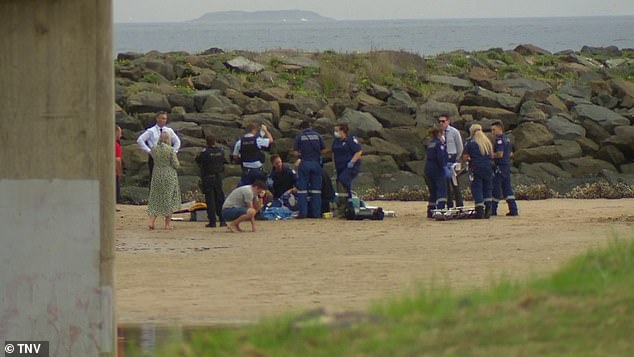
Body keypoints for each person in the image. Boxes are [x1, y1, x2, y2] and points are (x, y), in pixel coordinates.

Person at [147, 131, 181, 230]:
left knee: (155, 198)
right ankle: (167, 224)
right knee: (168, 198)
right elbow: (176, 164)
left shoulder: (154, 149)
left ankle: (151, 221)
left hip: (157, 174)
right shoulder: (170, 150)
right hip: (168, 175)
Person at [137, 111, 181, 188]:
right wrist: (149, 151)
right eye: (162, 118)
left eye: (165, 119)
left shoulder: (169, 130)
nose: (164, 120)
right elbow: (140, 140)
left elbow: (177, 141)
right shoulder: (151, 131)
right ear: (157, 119)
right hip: (155, 156)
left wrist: (173, 152)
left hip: (166, 156)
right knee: (154, 178)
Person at [292, 120, 326, 218]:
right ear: (310, 126)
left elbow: (295, 152)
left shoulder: (300, 137)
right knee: (316, 190)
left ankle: (303, 213)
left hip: (305, 163)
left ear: (302, 128)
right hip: (316, 164)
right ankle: (316, 213)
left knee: (302, 190)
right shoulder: (318, 136)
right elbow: (323, 150)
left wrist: (300, 154)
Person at [462, 124, 494, 219]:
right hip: (488, 167)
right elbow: (492, 156)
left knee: (477, 188)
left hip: (476, 167)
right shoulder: (487, 142)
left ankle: (479, 210)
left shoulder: (470, 143)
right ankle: (488, 209)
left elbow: (465, 157)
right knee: (487, 188)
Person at [195, 134, 227, 228]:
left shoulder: (205, 152)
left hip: (208, 177)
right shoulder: (221, 151)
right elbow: (224, 161)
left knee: (210, 200)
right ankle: (222, 220)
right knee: (220, 199)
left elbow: (198, 160)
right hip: (218, 177)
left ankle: (212, 221)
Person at [331, 123, 363, 216]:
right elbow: (333, 153)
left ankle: (350, 202)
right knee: (340, 184)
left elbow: (358, 151)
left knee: (343, 179)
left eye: (337, 130)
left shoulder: (350, 140)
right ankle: (346, 205)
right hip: (339, 166)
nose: (335, 133)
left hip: (350, 167)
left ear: (342, 131)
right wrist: (334, 165)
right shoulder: (336, 141)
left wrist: (352, 162)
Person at [491, 121, 519, 216]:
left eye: (494, 130)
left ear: (500, 129)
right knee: (507, 188)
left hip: (500, 166)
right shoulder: (507, 139)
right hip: (506, 166)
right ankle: (513, 209)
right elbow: (510, 154)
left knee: (496, 188)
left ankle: (493, 209)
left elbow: (499, 154)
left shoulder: (499, 140)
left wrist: (490, 156)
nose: (492, 132)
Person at [438, 114, 464, 208]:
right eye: (439, 121)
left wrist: (457, 158)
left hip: (452, 158)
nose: (441, 123)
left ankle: (459, 203)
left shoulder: (454, 132)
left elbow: (460, 146)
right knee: (445, 184)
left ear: (448, 121)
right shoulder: (439, 133)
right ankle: (449, 204)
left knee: (455, 183)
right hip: (443, 159)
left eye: (443, 121)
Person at [424, 125, 449, 218]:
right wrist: (444, 166)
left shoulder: (430, 143)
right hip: (437, 168)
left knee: (433, 190)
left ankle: (430, 210)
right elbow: (441, 157)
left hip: (428, 167)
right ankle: (440, 209)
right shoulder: (439, 144)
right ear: (440, 133)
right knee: (441, 189)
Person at [115, 125, 123, 204]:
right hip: (114, 173)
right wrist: (119, 172)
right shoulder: (116, 145)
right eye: (120, 133)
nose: (121, 135)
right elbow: (118, 160)